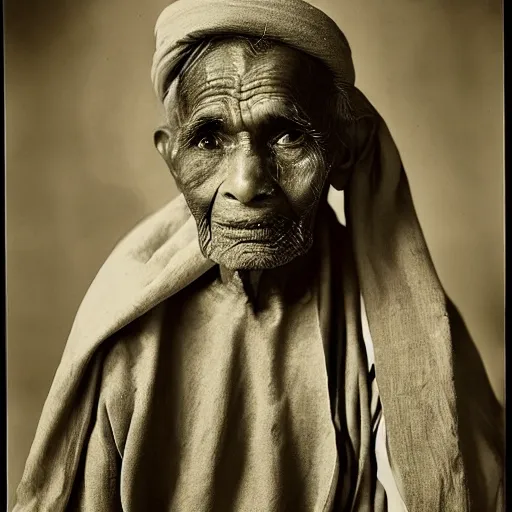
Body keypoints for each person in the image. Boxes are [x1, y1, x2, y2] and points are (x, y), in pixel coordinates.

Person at [13, 0, 503, 510]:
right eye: (207, 139)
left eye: (288, 135)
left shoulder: (403, 335)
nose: (247, 183)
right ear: (171, 156)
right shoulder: (123, 343)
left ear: (344, 149)